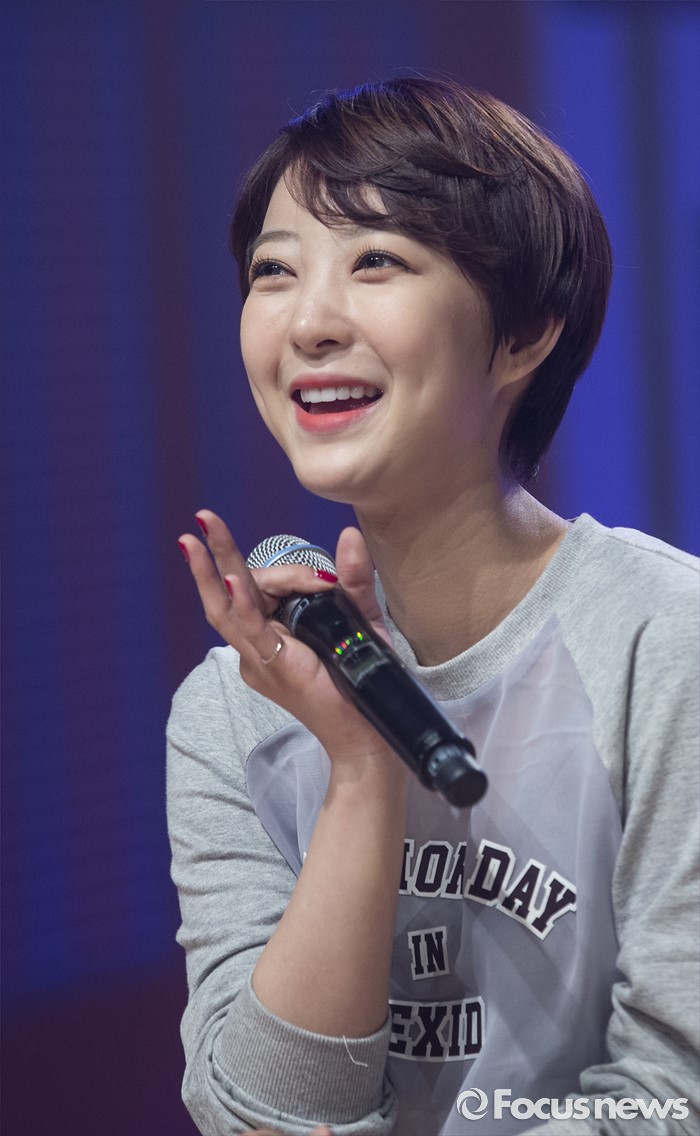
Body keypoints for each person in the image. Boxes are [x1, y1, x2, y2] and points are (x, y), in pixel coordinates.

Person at [168, 77, 699, 1136]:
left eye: (377, 261)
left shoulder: (664, 640)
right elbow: (261, 1115)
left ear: (525, 331)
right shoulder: (230, 709)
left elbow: (674, 1094)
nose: (309, 322)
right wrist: (362, 772)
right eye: (274, 271)